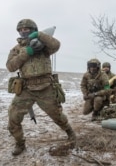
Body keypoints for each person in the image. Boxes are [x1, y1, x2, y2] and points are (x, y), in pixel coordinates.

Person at [6, 19, 76, 156]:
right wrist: (27, 52)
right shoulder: (16, 49)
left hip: (46, 88)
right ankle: (20, 144)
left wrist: (39, 36)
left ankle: (71, 133)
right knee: (13, 118)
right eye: (21, 29)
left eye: (27, 29)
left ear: (34, 29)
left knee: (58, 116)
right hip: (26, 89)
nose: (23, 31)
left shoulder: (44, 46)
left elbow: (56, 45)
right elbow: (10, 66)